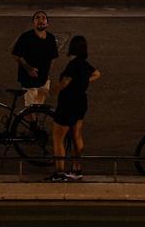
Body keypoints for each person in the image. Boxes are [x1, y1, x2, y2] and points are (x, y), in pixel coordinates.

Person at [49, 35, 100, 182]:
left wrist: (53, 90)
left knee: (58, 138)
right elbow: (97, 73)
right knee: (77, 136)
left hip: (68, 103)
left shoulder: (72, 65)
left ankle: (59, 173)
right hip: (81, 102)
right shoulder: (85, 64)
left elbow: (65, 82)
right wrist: (84, 81)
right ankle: (77, 169)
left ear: (72, 48)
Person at [9, 10, 58, 107]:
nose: (40, 20)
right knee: (30, 107)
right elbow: (16, 54)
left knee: (39, 106)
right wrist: (28, 68)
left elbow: (53, 58)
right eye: (37, 18)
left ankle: (35, 122)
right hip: (28, 79)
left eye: (43, 18)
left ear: (47, 23)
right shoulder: (26, 37)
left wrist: (48, 74)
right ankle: (32, 123)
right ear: (33, 23)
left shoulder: (51, 38)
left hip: (44, 79)